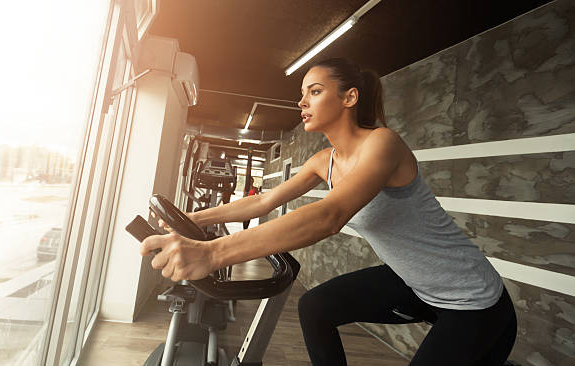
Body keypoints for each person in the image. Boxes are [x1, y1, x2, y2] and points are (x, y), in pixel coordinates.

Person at [141, 58, 517, 366]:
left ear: (350, 97)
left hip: (473, 301)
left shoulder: (383, 144)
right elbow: (261, 202)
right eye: (302, 94)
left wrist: (212, 252)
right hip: (415, 283)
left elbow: (330, 215)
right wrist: (195, 221)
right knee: (315, 308)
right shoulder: (324, 161)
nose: (302, 102)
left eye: (315, 92)